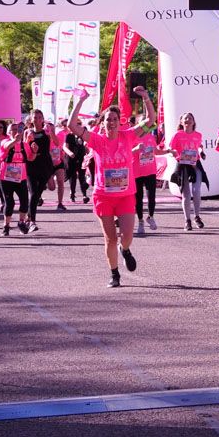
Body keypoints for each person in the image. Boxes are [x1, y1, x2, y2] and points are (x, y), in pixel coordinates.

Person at [72, 86, 154, 288]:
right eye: (108, 119)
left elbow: (150, 121)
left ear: (120, 122)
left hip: (126, 195)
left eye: (115, 119)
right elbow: (72, 126)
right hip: (103, 195)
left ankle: (125, 250)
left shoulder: (128, 136)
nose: (111, 122)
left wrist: (145, 98)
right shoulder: (97, 140)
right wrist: (81, 101)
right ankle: (115, 274)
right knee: (109, 238)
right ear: (104, 122)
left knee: (127, 235)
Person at [170, 113, 207, 230]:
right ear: (181, 122)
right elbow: (171, 148)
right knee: (186, 194)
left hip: (195, 164)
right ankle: (187, 220)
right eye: (185, 118)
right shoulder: (177, 135)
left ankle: (197, 216)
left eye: (190, 118)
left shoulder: (198, 135)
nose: (188, 120)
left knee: (196, 191)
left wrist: (201, 151)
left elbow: (200, 145)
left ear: (193, 122)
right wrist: (175, 153)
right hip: (183, 165)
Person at [0, 122, 34, 236]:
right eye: (13, 130)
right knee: (9, 203)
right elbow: (8, 146)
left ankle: (21, 222)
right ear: (8, 133)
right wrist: (15, 140)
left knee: (24, 201)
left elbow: (30, 158)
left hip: (20, 177)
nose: (16, 131)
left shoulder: (25, 145)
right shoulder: (4, 141)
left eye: (17, 129)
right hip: (6, 177)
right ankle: (6, 226)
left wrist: (35, 151)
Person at [24, 109, 56, 232]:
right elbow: (24, 147)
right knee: (33, 193)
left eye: (39, 117)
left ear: (42, 119)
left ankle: (28, 216)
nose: (37, 120)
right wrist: (28, 140)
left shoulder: (47, 132)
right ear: (31, 120)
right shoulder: (28, 132)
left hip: (45, 165)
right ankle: (32, 221)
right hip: (32, 164)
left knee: (37, 193)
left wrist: (52, 132)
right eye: (35, 117)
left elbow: (57, 143)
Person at [132, 116, 161, 235]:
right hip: (137, 171)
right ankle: (140, 221)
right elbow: (127, 152)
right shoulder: (132, 137)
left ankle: (150, 217)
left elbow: (156, 152)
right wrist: (136, 148)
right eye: (142, 122)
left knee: (151, 197)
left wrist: (169, 151)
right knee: (138, 199)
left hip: (150, 170)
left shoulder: (150, 137)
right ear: (138, 124)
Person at [63, 118, 90, 206]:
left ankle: (84, 195)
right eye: (76, 124)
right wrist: (70, 153)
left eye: (78, 124)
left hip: (81, 158)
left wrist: (88, 153)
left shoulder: (81, 135)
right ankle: (72, 194)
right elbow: (65, 147)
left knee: (82, 176)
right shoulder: (69, 136)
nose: (77, 126)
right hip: (71, 159)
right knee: (73, 177)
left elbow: (85, 146)